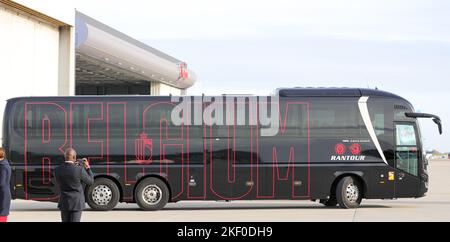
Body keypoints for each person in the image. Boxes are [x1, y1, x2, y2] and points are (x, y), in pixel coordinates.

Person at [55, 148, 94, 222]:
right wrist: (88, 168)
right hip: (77, 203)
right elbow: (91, 181)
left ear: (65, 157)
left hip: (64, 202)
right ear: (74, 157)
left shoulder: (57, 170)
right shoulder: (79, 170)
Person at [0, 147, 11, 223]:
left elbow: (2, 182)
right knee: (3, 213)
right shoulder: (6, 164)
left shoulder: (2, 166)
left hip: (2, 194)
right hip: (5, 192)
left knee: (2, 213)